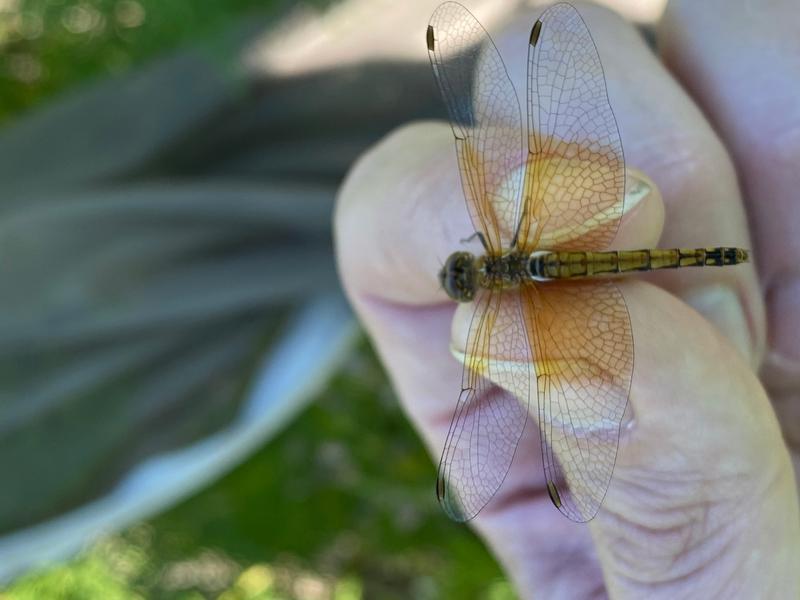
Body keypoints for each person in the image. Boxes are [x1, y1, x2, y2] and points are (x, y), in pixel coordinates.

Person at [335, 0, 800, 596]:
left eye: (463, 271)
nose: (463, 274)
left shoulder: (506, 283)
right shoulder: (507, 267)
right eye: (463, 273)